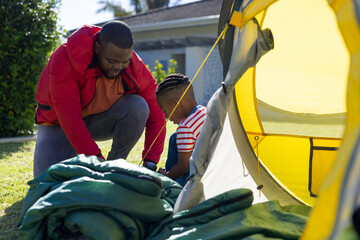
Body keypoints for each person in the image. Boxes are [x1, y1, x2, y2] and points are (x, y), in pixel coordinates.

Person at [33, 21, 166, 178]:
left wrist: (150, 162)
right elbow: (71, 120)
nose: (118, 67)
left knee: (139, 106)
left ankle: (115, 169)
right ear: (97, 48)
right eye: (111, 61)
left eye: (125, 61)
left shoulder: (135, 67)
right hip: (58, 124)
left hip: (97, 121)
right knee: (48, 184)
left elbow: (157, 117)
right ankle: (101, 170)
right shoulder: (65, 58)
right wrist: (98, 162)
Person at [156, 73, 207, 186]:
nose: (167, 117)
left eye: (165, 111)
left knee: (177, 186)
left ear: (176, 104)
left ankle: (169, 183)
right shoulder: (203, 111)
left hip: (202, 174)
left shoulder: (186, 127)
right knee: (175, 137)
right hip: (210, 164)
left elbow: (183, 167)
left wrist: (167, 176)